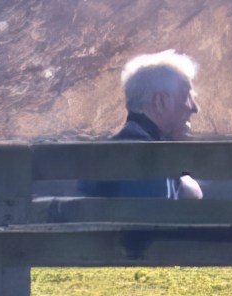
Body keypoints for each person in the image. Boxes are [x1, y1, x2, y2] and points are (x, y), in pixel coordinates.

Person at [80, 49, 203, 199]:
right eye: (186, 96)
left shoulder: (109, 154)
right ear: (160, 102)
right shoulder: (148, 161)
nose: (195, 108)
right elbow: (150, 219)